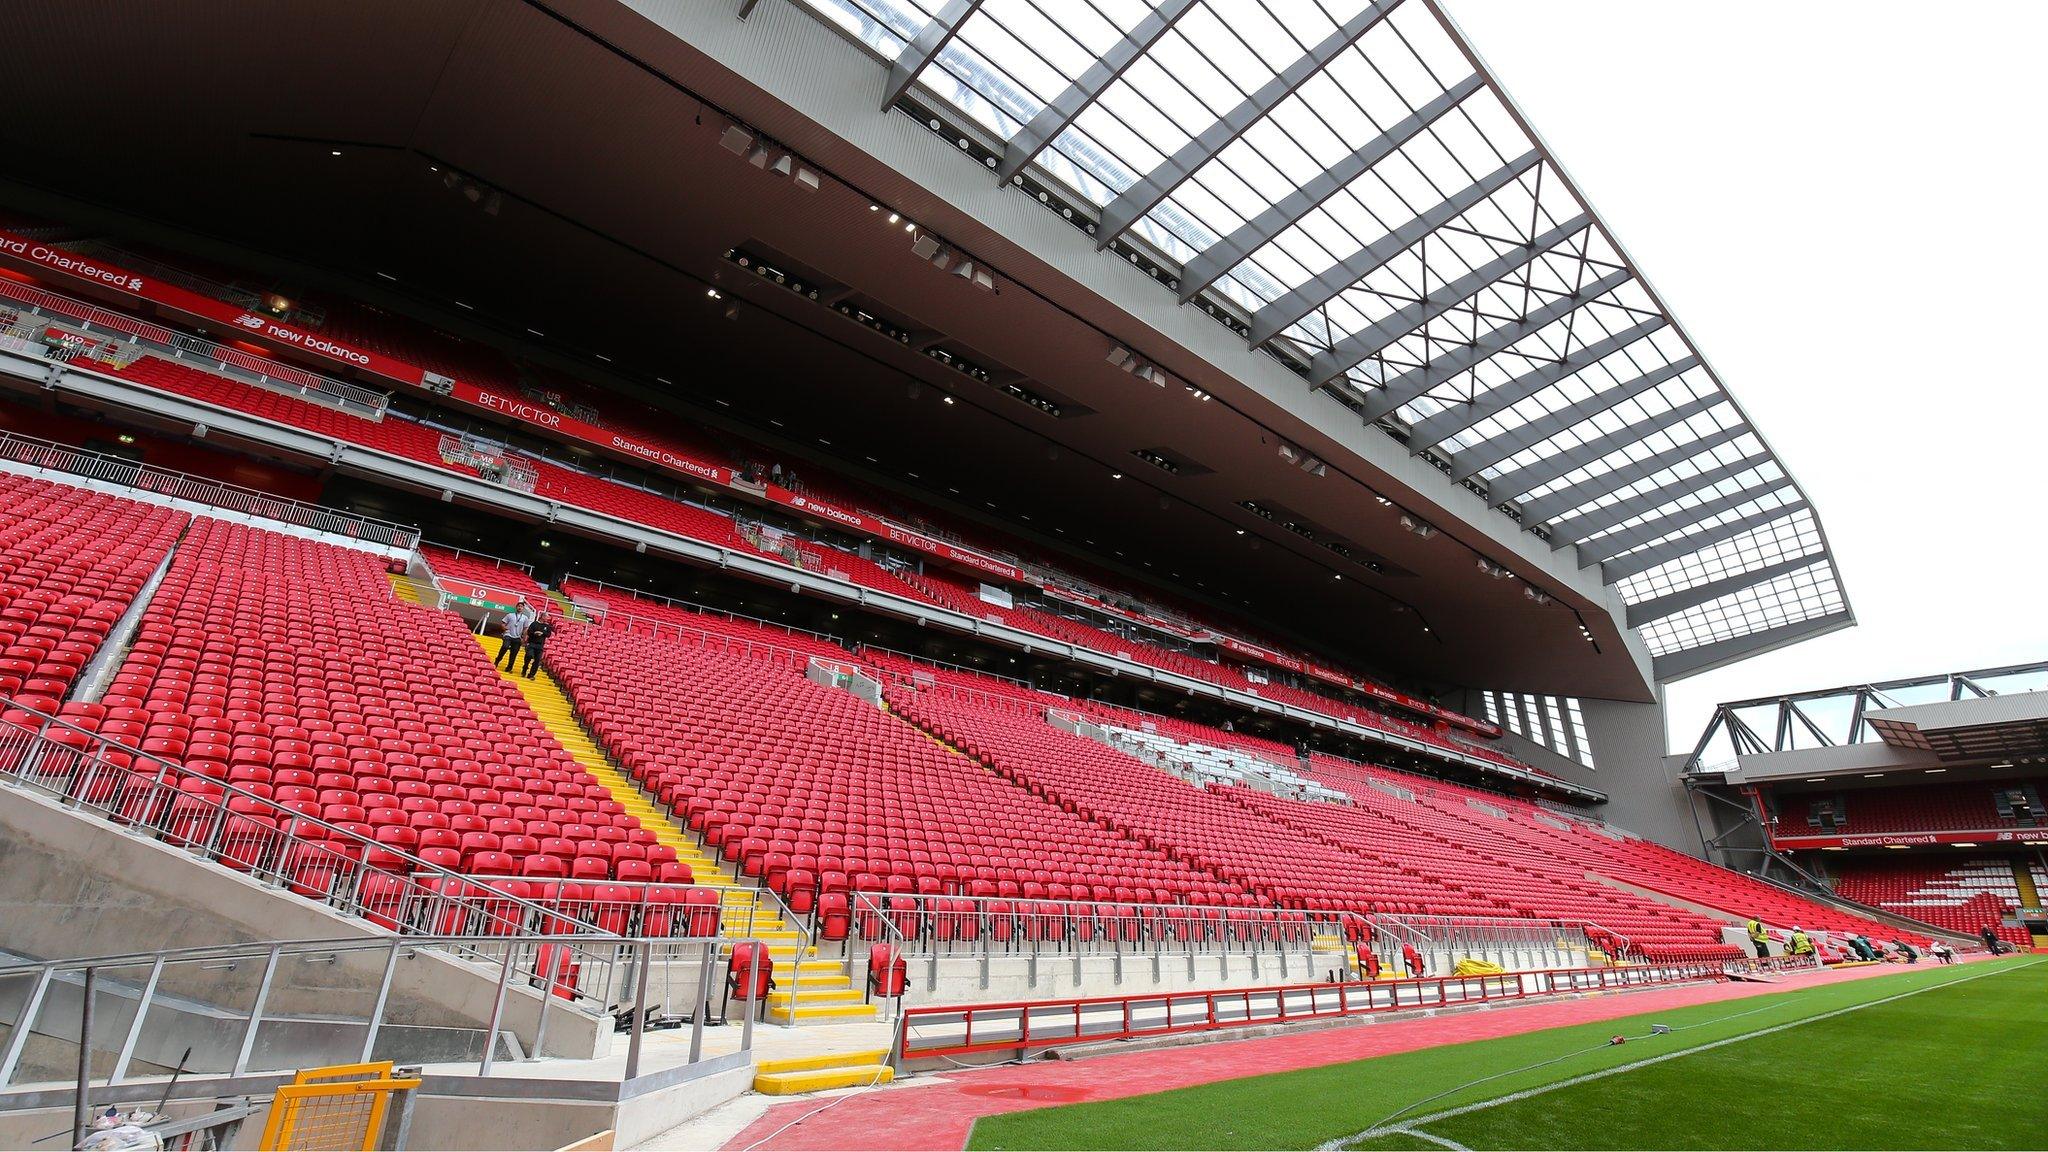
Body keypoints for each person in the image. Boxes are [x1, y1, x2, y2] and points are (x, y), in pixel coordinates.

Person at [496, 600, 535, 671]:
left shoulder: (525, 618)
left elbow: (525, 628)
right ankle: (498, 659)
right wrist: (504, 628)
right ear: (516, 607)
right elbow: (503, 623)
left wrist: (524, 638)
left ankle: (509, 667)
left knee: (514, 653)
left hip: (517, 637)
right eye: (519, 606)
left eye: (521, 607)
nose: (520, 608)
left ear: (523, 608)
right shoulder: (510, 615)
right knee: (505, 646)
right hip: (508, 634)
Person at [520, 612, 555, 679]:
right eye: (547, 617)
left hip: (540, 645)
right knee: (529, 655)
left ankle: (531, 675)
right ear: (542, 617)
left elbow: (548, 634)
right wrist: (535, 633)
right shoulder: (534, 623)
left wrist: (542, 633)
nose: (548, 619)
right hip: (532, 643)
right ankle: (525, 667)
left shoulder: (547, 626)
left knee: (537, 660)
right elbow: (529, 632)